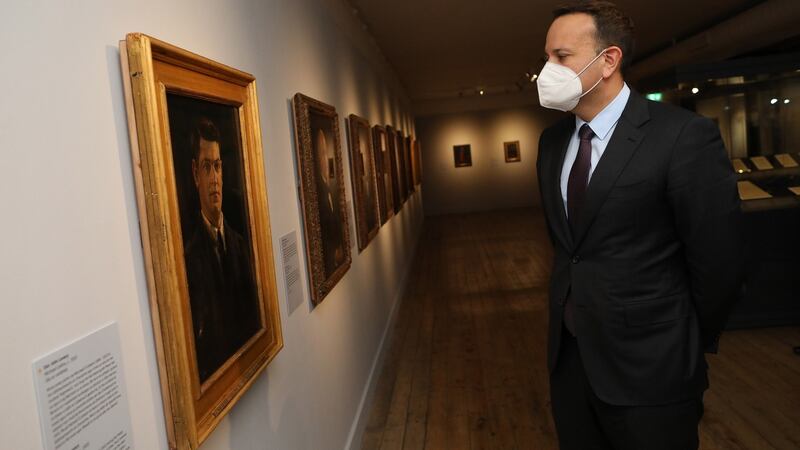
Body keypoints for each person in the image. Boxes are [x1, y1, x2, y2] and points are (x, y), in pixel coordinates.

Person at [534, 2, 745, 449]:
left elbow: (719, 261)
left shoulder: (682, 136)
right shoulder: (552, 142)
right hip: (572, 363)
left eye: (561, 56)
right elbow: (569, 248)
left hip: (654, 368)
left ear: (609, 60)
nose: (547, 69)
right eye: (546, 56)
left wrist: (686, 340)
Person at [184, 117, 261, 382]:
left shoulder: (240, 245)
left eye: (217, 166)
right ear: (195, 174)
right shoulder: (189, 258)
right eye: (206, 167)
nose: (214, 179)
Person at [313, 128, 345, 276]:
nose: (326, 159)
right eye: (322, 154)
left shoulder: (329, 186)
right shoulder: (318, 190)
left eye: (326, 153)